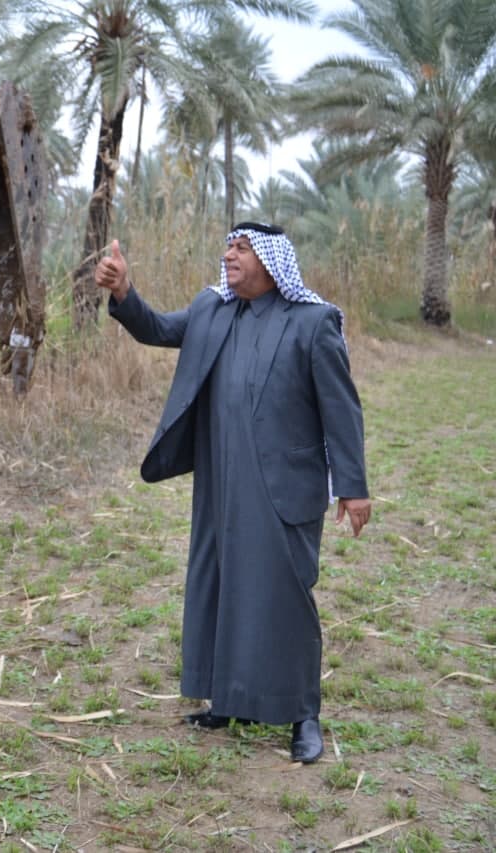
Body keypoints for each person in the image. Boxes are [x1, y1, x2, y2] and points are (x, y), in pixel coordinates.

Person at [94, 222, 372, 764]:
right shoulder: (211, 310)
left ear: (272, 262)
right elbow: (155, 328)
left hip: (282, 487)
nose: (228, 255)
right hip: (221, 484)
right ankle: (228, 699)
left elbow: (342, 409)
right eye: (227, 245)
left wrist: (353, 488)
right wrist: (124, 292)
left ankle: (301, 715)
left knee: (284, 596)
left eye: (241, 248)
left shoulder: (312, 323)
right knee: (220, 586)